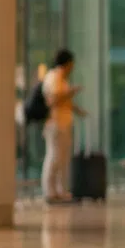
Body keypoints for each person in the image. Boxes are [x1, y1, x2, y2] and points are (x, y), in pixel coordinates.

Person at [40, 50, 84, 203]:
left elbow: (64, 101)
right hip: (56, 124)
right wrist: (71, 91)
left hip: (63, 123)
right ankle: (49, 191)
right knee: (54, 157)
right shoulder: (54, 77)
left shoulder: (61, 79)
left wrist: (78, 110)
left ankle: (60, 190)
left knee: (63, 158)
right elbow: (54, 99)